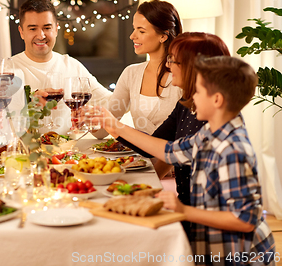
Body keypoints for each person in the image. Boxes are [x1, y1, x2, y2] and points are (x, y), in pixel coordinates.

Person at [93, 56, 276, 265]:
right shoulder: (210, 132)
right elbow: (169, 150)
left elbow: (244, 220)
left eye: (197, 91)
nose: (191, 97)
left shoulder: (232, 150)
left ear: (216, 100)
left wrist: (184, 210)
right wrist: (115, 127)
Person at [114, 32, 230, 238]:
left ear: (195, 68)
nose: (168, 66)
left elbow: (169, 152)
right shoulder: (187, 103)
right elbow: (155, 143)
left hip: (213, 229)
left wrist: (114, 126)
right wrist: (111, 127)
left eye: (173, 61)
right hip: (187, 212)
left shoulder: (216, 123)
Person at [11, 0, 112, 135]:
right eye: (33, 28)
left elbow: (108, 100)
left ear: (56, 29)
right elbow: (0, 120)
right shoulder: (9, 70)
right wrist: (27, 104)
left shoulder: (72, 66)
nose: (41, 35)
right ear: (22, 32)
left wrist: (133, 91)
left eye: (47, 28)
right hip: (25, 152)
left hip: (68, 152)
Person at [105, 0, 183, 135]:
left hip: (173, 155)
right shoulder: (131, 73)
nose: (132, 36)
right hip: (138, 156)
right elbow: (103, 129)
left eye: (141, 31)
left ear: (163, 36)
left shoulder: (182, 76)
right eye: (134, 29)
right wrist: (88, 119)